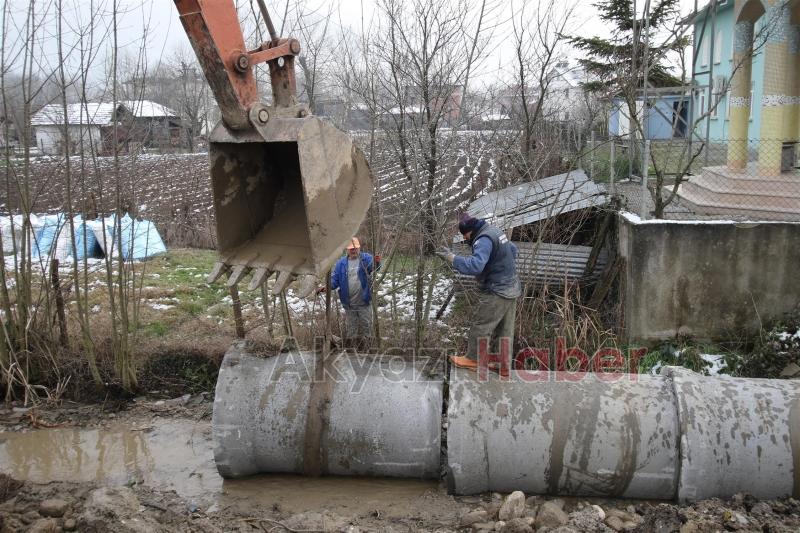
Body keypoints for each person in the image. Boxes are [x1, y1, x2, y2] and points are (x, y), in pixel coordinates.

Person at [436, 214, 521, 373]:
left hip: (497, 290)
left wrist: (452, 258)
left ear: (469, 231)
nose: (465, 239)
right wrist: (501, 264)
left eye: (465, 235)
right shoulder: (495, 231)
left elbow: (475, 266)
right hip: (512, 286)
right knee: (505, 330)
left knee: (481, 326)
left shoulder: (483, 239)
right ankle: (503, 366)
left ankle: (473, 359)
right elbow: (513, 250)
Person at [326, 237, 380, 350]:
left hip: (364, 301)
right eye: (351, 249)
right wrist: (326, 287)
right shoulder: (341, 263)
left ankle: (370, 349)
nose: (353, 251)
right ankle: (351, 350)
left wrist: (377, 261)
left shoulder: (366, 259)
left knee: (367, 326)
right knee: (351, 328)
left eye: (355, 248)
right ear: (347, 249)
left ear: (359, 248)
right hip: (349, 303)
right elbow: (335, 280)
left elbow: (375, 268)